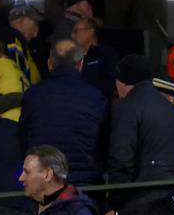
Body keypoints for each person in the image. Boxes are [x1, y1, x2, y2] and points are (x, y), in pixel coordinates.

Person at [106, 55, 174, 215]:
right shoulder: (171, 109)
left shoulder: (127, 108)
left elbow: (121, 159)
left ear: (122, 82)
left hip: (142, 197)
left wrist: (116, 204)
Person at [19, 41, 108, 187]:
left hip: (43, 183)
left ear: (49, 64)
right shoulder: (96, 98)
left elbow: (23, 140)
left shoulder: (33, 96)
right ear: (81, 64)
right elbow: (103, 145)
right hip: (84, 185)